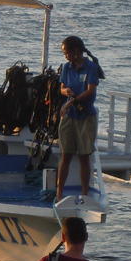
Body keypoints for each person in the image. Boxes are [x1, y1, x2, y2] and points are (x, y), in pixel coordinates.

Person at [55, 35, 104, 203]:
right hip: (69, 115)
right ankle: (59, 192)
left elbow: (90, 91)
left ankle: (84, 193)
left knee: (84, 155)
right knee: (66, 155)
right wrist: (66, 92)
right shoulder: (66, 68)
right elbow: (61, 88)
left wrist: (72, 102)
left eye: (67, 52)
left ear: (76, 51)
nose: (66, 56)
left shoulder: (91, 67)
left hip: (85, 115)